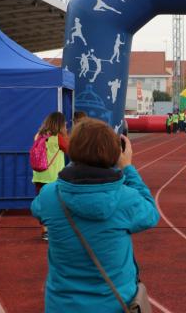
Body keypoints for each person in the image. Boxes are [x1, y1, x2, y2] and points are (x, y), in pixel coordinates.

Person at [31, 119, 159, 311]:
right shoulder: (126, 198)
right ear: (115, 153)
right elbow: (150, 214)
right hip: (115, 304)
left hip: (62, 305)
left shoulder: (50, 195)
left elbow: (37, 209)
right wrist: (128, 169)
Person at [32, 112, 69, 241]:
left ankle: (45, 231)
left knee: (42, 203)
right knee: (57, 204)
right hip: (53, 177)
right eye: (64, 123)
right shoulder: (58, 138)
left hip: (39, 175)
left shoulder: (38, 136)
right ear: (59, 124)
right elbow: (69, 149)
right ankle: (55, 229)